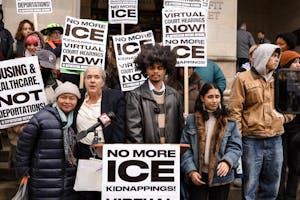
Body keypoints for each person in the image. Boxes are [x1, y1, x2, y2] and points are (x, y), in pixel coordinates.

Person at [228, 43, 295, 200]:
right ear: (263, 56)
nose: (276, 59)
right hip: (251, 140)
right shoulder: (243, 79)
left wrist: (284, 118)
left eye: (278, 56)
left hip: (275, 138)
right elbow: (234, 110)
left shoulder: (282, 78)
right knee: (250, 186)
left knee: (272, 186)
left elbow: (293, 105)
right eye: (273, 55)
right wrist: (237, 139)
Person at [15, 81, 81, 200]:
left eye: (72, 98)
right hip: (42, 180)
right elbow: (24, 147)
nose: (67, 101)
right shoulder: (41, 118)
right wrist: (24, 170)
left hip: (67, 182)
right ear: (56, 99)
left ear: (77, 101)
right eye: (63, 97)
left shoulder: (76, 120)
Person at [181, 83, 242, 200]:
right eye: (210, 97)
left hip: (221, 176)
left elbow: (235, 147)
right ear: (202, 98)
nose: (214, 100)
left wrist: (227, 162)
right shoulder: (191, 120)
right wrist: (191, 170)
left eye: (217, 97)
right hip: (197, 175)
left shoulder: (229, 121)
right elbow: (185, 148)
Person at [75, 66, 126, 199]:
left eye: (97, 77)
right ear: (84, 80)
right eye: (89, 77)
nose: (92, 81)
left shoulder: (115, 97)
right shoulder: (77, 97)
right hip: (83, 154)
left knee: (104, 193)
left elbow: (120, 129)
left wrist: (112, 153)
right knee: (86, 193)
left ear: (103, 82)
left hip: (107, 154)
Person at [126, 43, 183, 144]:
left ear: (166, 70)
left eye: (160, 68)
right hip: (147, 154)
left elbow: (180, 127)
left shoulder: (174, 95)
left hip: (171, 152)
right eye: (151, 68)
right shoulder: (135, 95)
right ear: (145, 69)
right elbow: (134, 130)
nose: (156, 71)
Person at [277, 50, 300, 200]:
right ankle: (278, 196)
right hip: (281, 127)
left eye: (299, 62)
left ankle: (291, 196)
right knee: (280, 165)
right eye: (295, 62)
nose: (298, 65)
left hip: (298, 128)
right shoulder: (277, 81)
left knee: (296, 165)